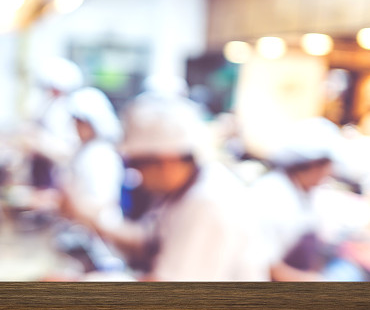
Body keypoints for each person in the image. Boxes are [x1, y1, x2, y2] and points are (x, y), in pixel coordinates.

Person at [84, 95, 269, 281]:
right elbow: (146, 241)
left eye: (138, 164)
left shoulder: (207, 202)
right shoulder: (180, 191)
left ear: (167, 160)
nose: (138, 175)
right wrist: (92, 220)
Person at [249, 117, 341, 281]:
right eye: (328, 166)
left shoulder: (304, 192)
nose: (331, 173)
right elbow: (263, 264)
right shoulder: (272, 195)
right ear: (313, 165)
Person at [59, 87, 125, 227]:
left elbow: (102, 202)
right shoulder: (85, 150)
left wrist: (70, 204)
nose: (76, 127)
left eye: (80, 123)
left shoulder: (100, 155)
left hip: (100, 232)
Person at [27, 57, 84, 188]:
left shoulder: (68, 110)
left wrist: (38, 144)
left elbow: (67, 152)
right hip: (41, 171)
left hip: (57, 176)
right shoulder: (48, 105)